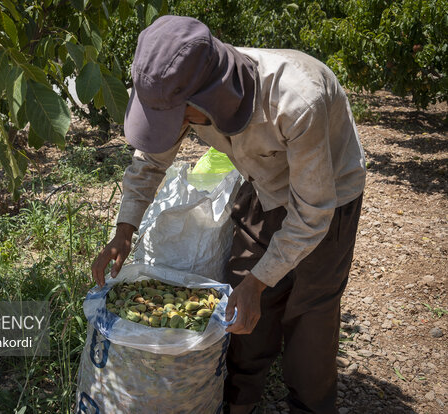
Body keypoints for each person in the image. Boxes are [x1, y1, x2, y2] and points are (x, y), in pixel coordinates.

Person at [91, 15, 366, 414]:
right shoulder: (183, 90)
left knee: (309, 315)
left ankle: (310, 405)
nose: (180, 126)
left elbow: (311, 214)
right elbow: (150, 161)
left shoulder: (296, 101)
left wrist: (260, 282)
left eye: (184, 118)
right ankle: (239, 400)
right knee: (239, 309)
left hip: (330, 196)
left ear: (211, 99)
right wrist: (124, 230)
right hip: (262, 186)